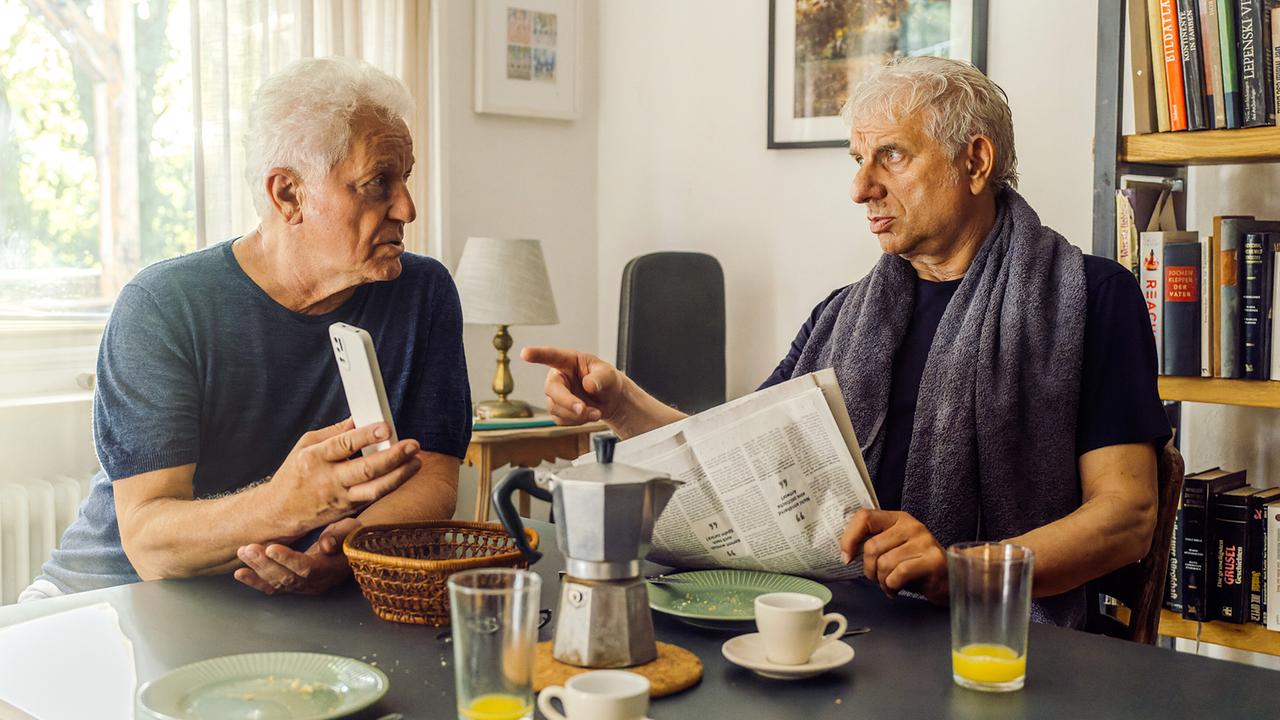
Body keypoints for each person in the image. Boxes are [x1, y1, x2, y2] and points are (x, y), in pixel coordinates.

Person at [521, 57, 1169, 627]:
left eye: (891, 155)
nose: (861, 189)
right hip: (828, 628)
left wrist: (961, 571)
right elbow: (734, 461)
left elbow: (1127, 517)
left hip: (998, 641)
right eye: (858, 161)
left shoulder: (1090, 298)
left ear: (975, 161)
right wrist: (619, 402)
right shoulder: (842, 315)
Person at [24, 57, 471, 600]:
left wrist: (348, 546)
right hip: (109, 599)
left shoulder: (423, 293)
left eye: (405, 178)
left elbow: (435, 476)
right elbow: (149, 544)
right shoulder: (163, 306)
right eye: (378, 183)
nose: (408, 207)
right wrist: (289, 504)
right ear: (288, 195)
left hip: (284, 605)